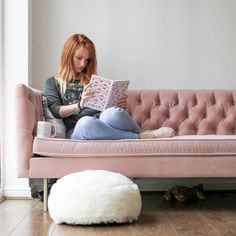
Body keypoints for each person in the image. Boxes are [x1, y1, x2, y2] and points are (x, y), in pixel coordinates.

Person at [43, 33, 175, 140]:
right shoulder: (52, 82)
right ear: (67, 56)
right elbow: (55, 110)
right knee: (85, 122)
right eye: (79, 58)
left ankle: (144, 132)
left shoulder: (92, 80)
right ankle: (141, 136)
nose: (83, 64)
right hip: (79, 128)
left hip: (104, 122)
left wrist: (115, 103)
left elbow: (105, 110)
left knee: (112, 113)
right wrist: (79, 105)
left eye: (87, 60)